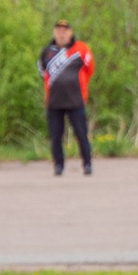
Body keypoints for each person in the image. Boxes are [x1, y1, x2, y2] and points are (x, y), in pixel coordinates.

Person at [40, 19, 94, 176]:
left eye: (64, 31)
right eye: (58, 31)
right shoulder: (47, 52)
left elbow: (89, 69)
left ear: (70, 33)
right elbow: (43, 72)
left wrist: (80, 86)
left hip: (75, 100)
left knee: (81, 133)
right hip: (54, 102)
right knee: (56, 136)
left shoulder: (81, 49)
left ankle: (87, 163)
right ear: (54, 33)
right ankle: (58, 165)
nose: (61, 34)